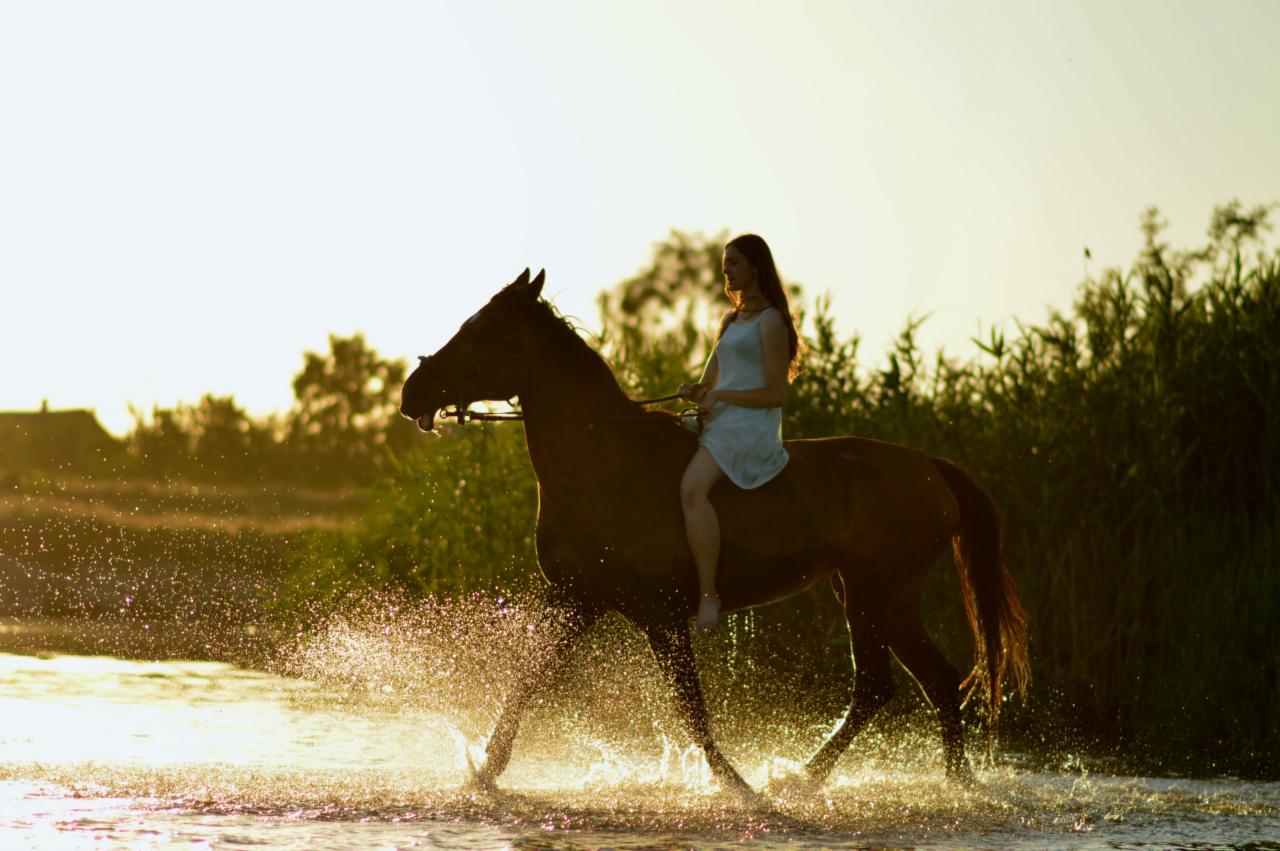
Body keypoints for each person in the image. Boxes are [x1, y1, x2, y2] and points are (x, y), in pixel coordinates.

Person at [677, 234, 801, 630]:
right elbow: (710, 381)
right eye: (724, 263)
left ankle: (710, 595)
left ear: (755, 267)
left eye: (733, 262)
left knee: (692, 489)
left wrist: (722, 395)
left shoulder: (771, 321)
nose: (725, 269)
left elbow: (775, 393)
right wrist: (696, 392)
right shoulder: (730, 321)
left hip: (750, 425)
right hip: (722, 418)